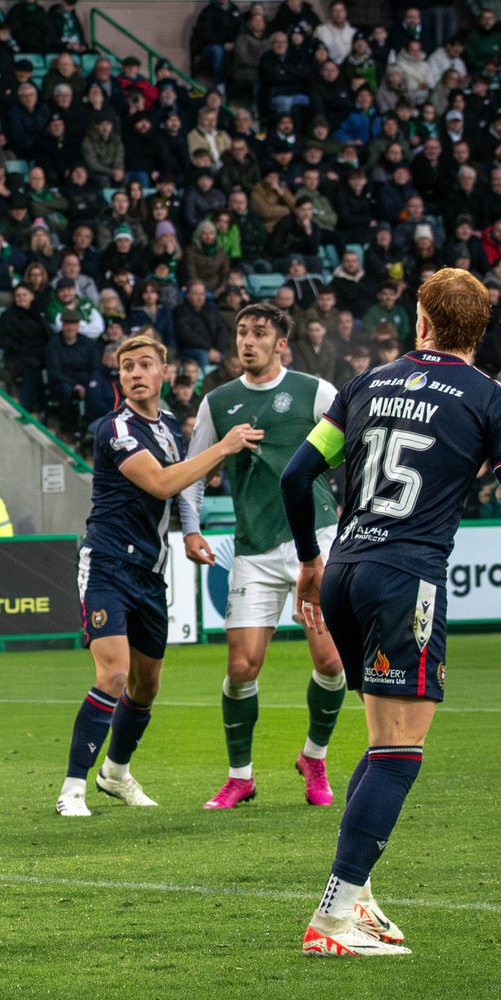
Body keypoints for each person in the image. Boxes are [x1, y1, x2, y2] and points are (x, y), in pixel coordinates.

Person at [280, 267, 501, 956]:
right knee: (401, 754)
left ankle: (359, 900)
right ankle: (332, 917)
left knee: (380, 741)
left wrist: (310, 557)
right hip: (407, 578)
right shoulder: (490, 397)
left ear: (422, 321)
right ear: (480, 329)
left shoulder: (366, 384)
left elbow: (296, 473)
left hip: (343, 568)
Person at [60, 333, 264, 817]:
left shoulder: (171, 427)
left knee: (146, 687)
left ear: (163, 373)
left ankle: (116, 773)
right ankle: (72, 789)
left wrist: (191, 532)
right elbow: (162, 481)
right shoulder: (115, 429)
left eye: (144, 364)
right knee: (113, 675)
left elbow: (180, 493)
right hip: (107, 563)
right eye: (126, 365)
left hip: (150, 572)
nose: (133, 372)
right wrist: (224, 446)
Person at [181, 305, 347, 810]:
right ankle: (241, 777)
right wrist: (190, 528)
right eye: (241, 332)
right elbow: (191, 471)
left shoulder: (314, 391)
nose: (247, 341)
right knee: (242, 668)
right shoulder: (219, 403)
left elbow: (356, 450)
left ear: (281, 342)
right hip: (252, 549)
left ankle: (313, 758)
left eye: (259, 333)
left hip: (314, 543)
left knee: (333, 661)